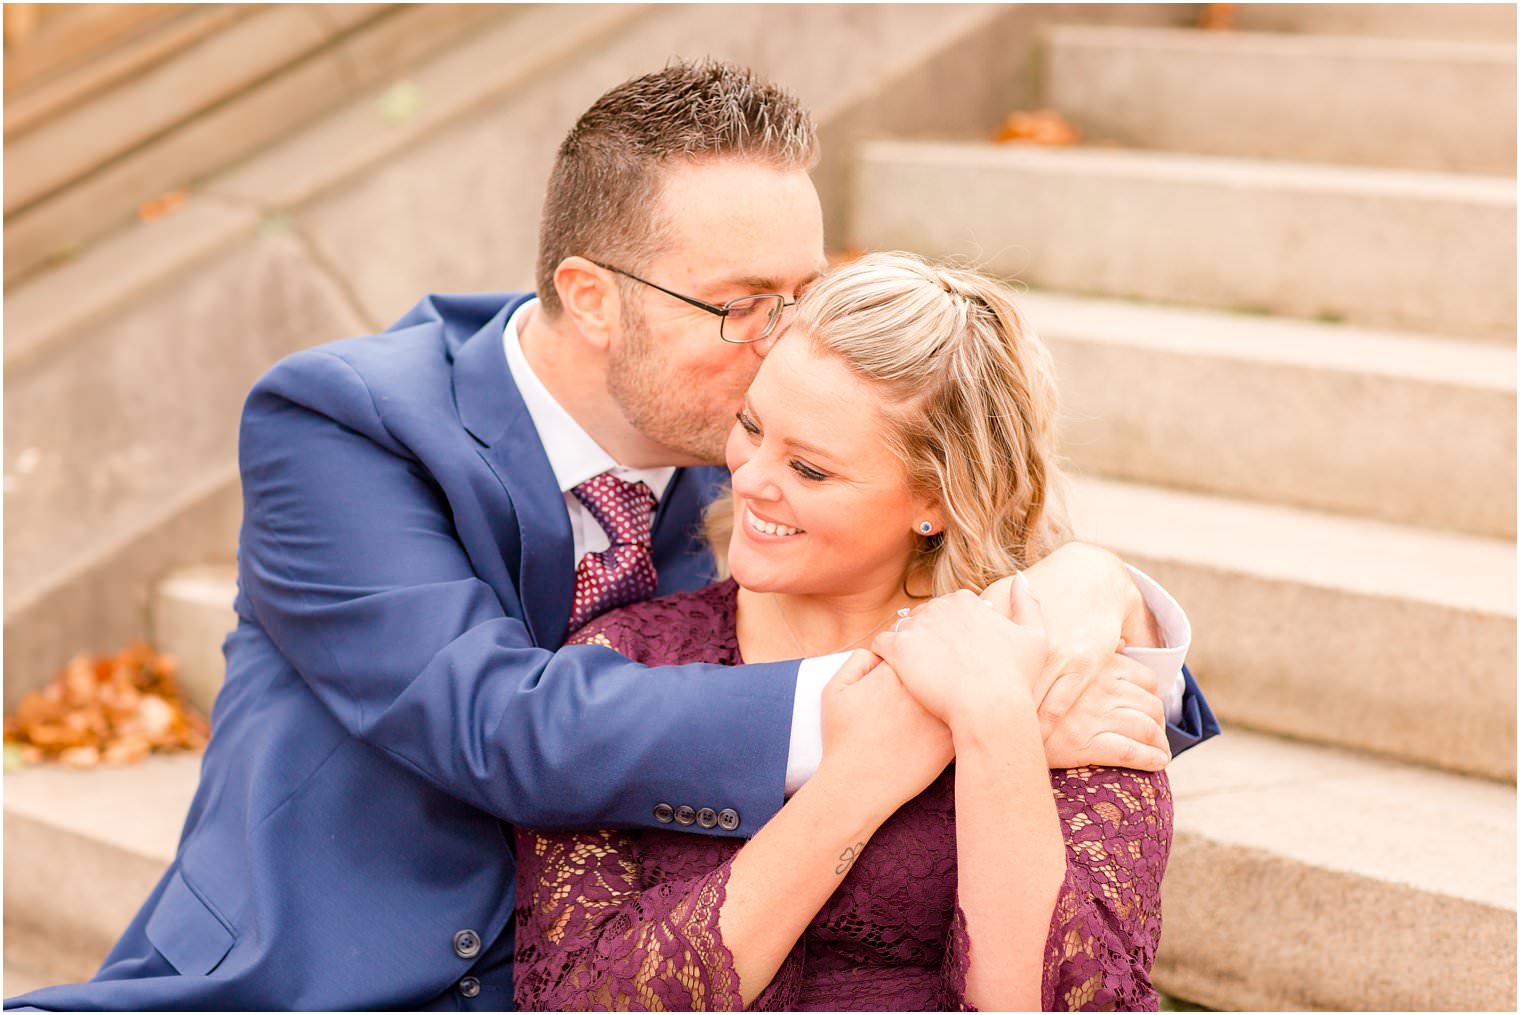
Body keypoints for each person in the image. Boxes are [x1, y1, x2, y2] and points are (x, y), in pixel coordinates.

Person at [6, 61, 1214, 1013]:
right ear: (591, 296)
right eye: (743, 305)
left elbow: (980, 559)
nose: (783, 343)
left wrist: (1092, 586)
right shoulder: (349, 423)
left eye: (802, 292)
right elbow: (507, 725)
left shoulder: (744, 447)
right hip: (324, 982)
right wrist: (908, 704)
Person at [513, 252, 1173, 1011]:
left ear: (936, 498)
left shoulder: (1064, 669)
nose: (752, 478)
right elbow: (585, 999)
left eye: (811, 469)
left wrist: (994, 722)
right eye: (751, 426)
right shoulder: (626, 657)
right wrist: (868, 773)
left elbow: (1063, 1003)